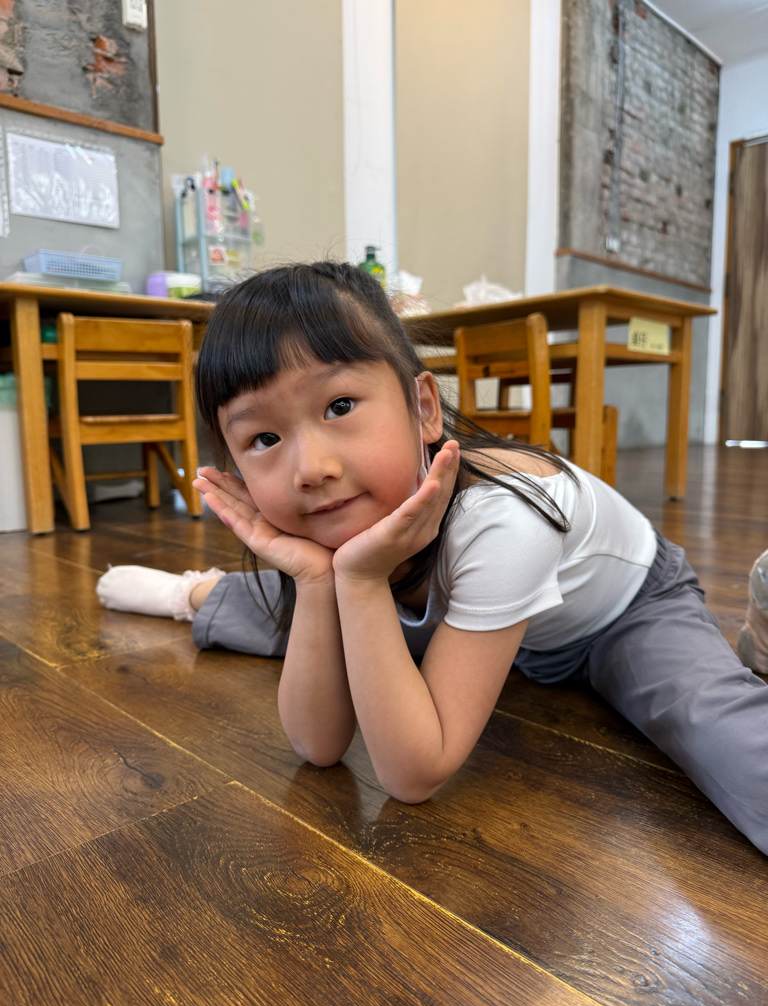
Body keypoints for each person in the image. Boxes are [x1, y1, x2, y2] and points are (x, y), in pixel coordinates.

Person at [97, 261, 768, 856]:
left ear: (423, 408)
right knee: (320, 613)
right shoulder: (340, 516)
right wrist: (318, 577)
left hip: (622, 614)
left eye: (339, 405)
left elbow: (413, 773)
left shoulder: (505, 519)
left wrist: (359, 579)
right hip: (470, 613)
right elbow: (317, 745)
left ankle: (759, 625)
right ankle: (197, 593)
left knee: (721, 738)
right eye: (264, 439)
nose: (312, 468)